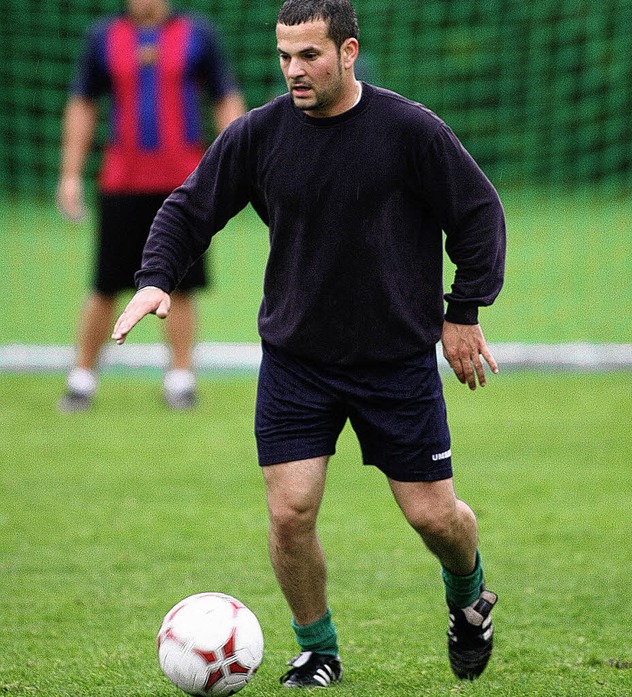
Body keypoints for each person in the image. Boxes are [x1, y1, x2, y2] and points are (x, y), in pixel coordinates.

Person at [113, 0, 505, 686]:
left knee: (435, 517)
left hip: (395, 360)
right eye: (284, 57)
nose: (294, 70)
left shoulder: (409, 130)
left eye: (310, 56)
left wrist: (463, 310)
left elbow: (477, 214)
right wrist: (154, 278)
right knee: (291, 512)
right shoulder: (259, 135)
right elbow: (190, 206)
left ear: (349, 52)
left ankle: (468, 595)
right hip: (298, 359)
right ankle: (317, 649)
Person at [57, 0, 245, 411]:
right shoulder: (103, 37)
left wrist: (239, 166)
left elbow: (226, 99)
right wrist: (69, 173)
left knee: (181, 283)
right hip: (121, 183)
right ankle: (82, 378)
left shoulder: (199, 34)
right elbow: (82, 103)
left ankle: (180, 379)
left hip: (184, 185)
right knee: (105, 283)